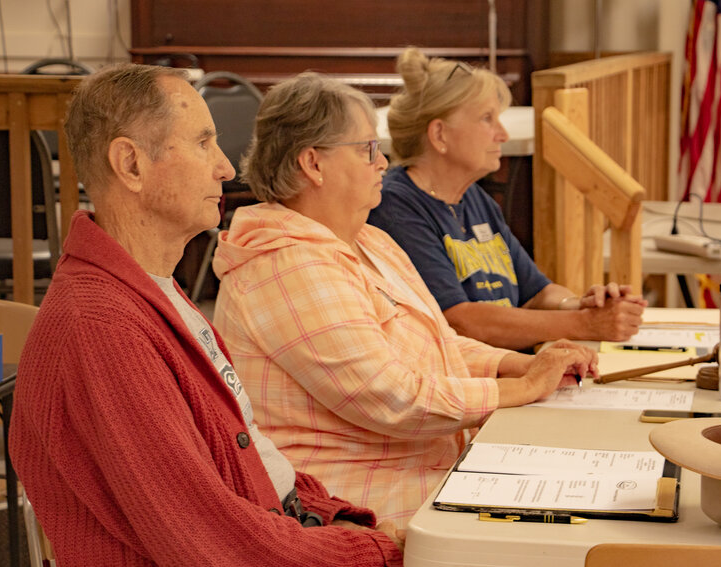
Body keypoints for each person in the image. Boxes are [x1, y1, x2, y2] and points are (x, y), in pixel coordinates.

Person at [8, 63, 403, 566]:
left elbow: (251, 459)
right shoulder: (101, 328)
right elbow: (209, 542)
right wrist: (375, 550)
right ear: (130, 164)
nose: (226, 167)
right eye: (201, 143)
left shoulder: (154, 290)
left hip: (287, 528)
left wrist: (341, 520)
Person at [212, 72, 598, 527]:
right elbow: (392, 397)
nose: (383, 162)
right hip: (356, 501)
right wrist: (525, 388)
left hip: (419, 463)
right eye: (368, 149)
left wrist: (521, 365)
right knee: (565, 522)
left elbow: (439, 344)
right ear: (313, 164)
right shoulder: (286, 264)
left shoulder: (369, 240)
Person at [367, 48, 647, 352]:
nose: (502, 133)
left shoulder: (473, 196)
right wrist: (585, 324)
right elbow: (461, 322)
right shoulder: (394, 206)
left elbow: (537, 293)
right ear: (440, 135)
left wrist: (580, 304)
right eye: (487, 119)